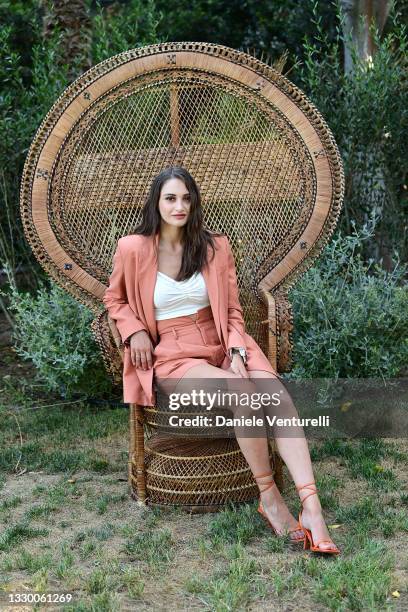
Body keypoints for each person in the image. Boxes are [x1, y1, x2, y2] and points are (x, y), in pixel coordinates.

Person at [103, 166, 339, 554]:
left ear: (194, 202)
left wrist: (236, 350)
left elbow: (231, 311)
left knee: (276, 395)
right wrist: (135, 329)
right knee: (241, 392)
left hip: (223, 341)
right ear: (156, 202)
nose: (179, 206)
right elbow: (114, 299)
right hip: (174, 353)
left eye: (186, 198)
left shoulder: (215, 246)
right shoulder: (133, 248)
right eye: (170, 198)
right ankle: (270, 498)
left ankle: (311, 505)